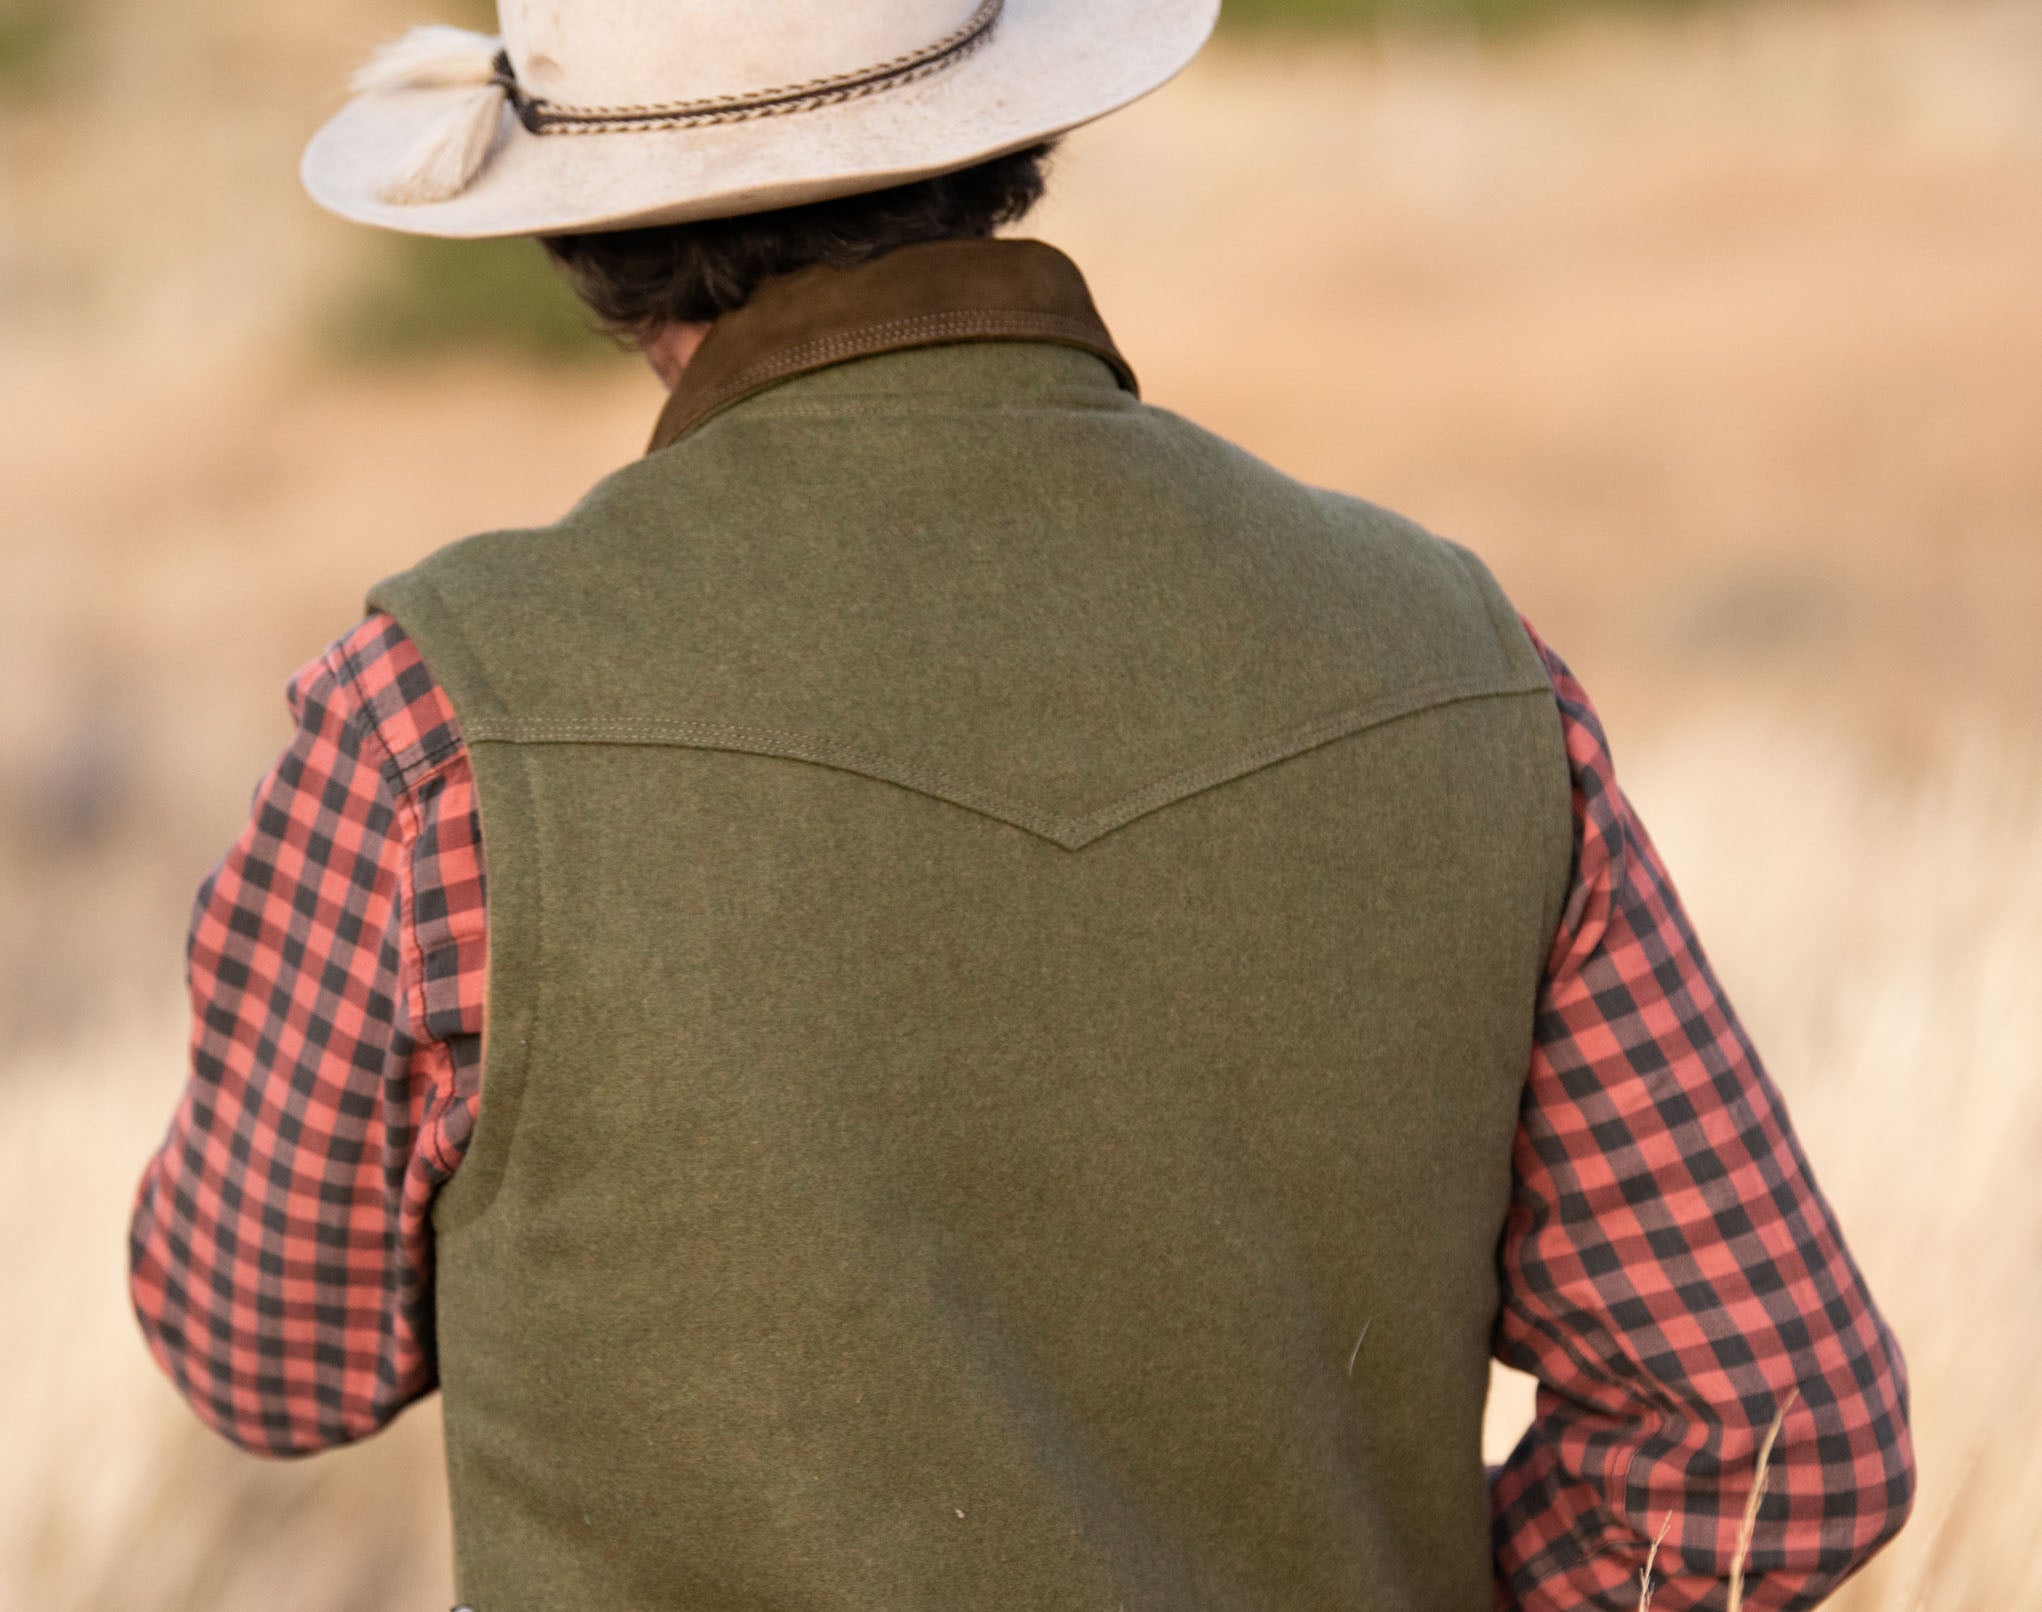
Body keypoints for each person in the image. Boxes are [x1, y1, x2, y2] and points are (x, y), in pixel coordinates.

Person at [127, 3, 1915, 1609]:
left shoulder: (436, 716)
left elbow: (264, 1355)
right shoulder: (1453, 649)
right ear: (998, 139)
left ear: (583, 234)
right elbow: (1776, 1445)